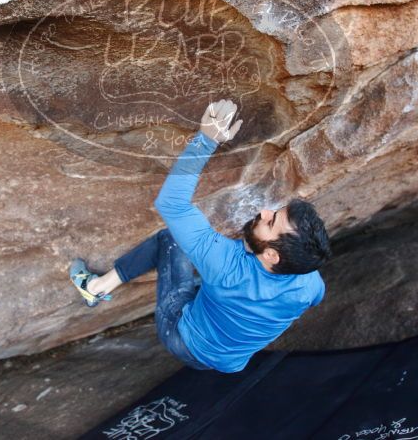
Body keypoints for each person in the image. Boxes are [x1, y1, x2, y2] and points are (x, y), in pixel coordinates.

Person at [69, 99, 332, 373]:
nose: (265, 211)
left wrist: (206, 139)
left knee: (170, 240)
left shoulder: (224, 265)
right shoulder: (309, 284)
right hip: (231, 360)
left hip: (183, 340)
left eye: (271, 221)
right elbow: (313, 297)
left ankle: (96, 288)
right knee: (211, 282)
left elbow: (172, 204)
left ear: (272, 255)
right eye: (275, 211)